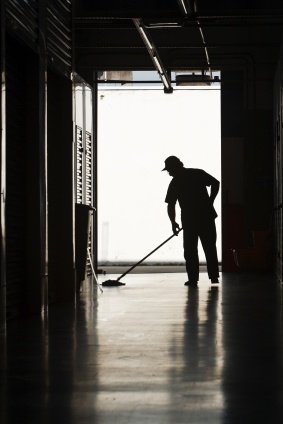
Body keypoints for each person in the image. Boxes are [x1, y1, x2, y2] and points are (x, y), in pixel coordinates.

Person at [163, 156, 220, 286]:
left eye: (169, 170)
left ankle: (194, 279)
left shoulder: (176, 181)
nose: (169, 173)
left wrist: (173, 222)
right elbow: (216, 183)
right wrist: (210, 202)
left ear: (176, 167)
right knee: (208, 247)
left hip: (193, 219)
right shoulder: (196, 173)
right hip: (202, 217)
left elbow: (171, 204)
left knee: (191, 250)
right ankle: (213, 277)